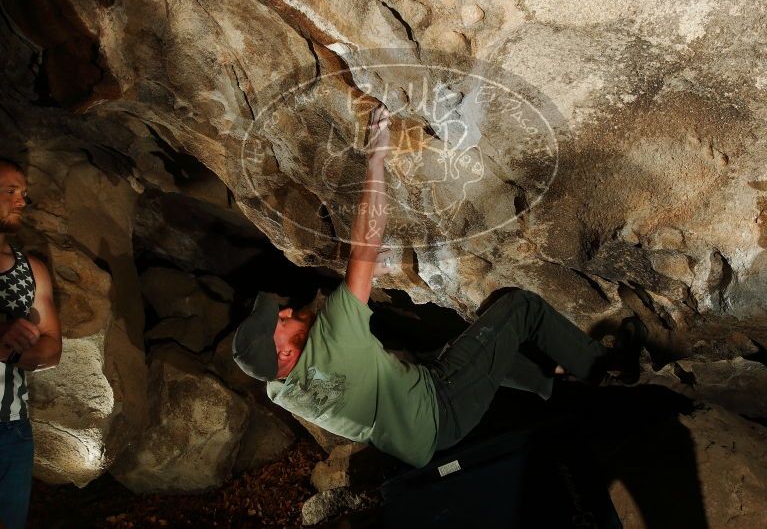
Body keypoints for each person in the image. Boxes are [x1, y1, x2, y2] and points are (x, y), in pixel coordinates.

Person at [233, 105, 645, 468]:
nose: (285, 311)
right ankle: (605, 368)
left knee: (450, 352)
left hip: (415, 438)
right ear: (285, 351)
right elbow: (365, 249)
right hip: (442, 406)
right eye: (279, 322)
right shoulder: (335, 338)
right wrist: (376, 160)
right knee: (519, 309)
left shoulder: (278, 390)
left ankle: (547, 378)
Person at [0, 158, 62, 529]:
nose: (22, 200)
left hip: (11, 429)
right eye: (10, 191)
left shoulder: (31, 270)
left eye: (24, 193)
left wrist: (17, 351)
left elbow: (52, 346)